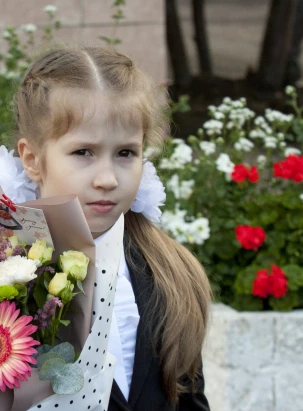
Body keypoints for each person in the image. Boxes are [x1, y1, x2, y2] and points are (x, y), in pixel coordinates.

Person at [13, 45, 212, 411]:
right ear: (32, 158)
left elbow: (188, 399)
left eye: (125, 153)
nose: (106, 179)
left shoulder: (170, 273)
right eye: (83, 152)